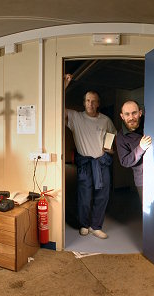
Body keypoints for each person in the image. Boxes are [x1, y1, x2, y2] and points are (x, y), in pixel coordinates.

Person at [64, 74, 116, 239]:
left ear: (98, 103)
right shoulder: (75, 117)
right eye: (87, 100)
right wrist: (65, 84)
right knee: (84, 196)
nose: (90, 104)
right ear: (84, 102)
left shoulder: (105, 120)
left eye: (94, 101)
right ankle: (84, 224)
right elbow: (55, 103)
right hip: (85, 163)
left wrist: (112, 151)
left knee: (103, 195)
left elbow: (112, 137)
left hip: (102, 163)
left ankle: (96, 226)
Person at [115, 100, 151, 188]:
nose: (131, 117)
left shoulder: (151, 123)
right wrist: (140, 148)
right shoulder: (120, 137)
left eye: (134, 113)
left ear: (140, 113)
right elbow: (125, 161)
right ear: (122, 116)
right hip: (142, 181)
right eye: (127, 114)